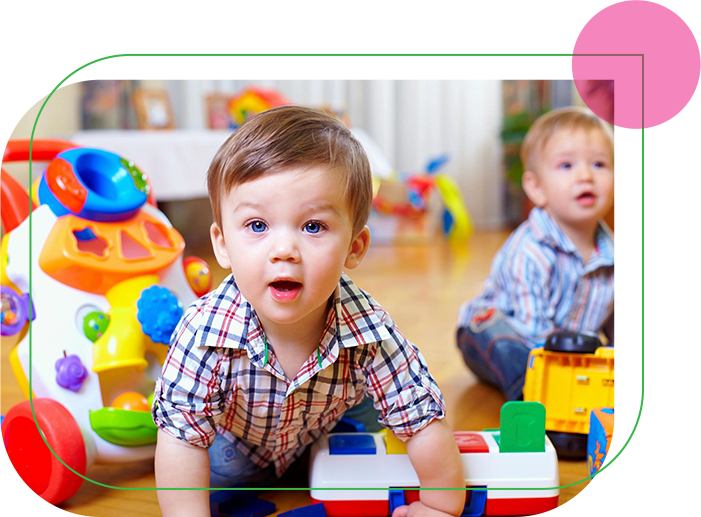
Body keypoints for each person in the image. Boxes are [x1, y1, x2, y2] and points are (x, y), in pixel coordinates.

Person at [153, 106, 465, 517]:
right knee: (197, 454)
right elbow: (182, 438)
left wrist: (440, 505)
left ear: (354, 247)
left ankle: (338, 444)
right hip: (233, 452)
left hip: (325, 433)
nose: (284, 250)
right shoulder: (203, 331)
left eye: (313, 226)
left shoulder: (370, 329)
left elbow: (421, 416)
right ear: (222, 244)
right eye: (258, 226)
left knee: (377, 421)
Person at [456, 106, 616, 401]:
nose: (585, 176)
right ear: (536, 187)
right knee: (507, 345)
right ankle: (532, 397)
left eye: (599, 164)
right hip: (500, 334)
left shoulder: (614, 257)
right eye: (567, 166)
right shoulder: (529, 251)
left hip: (569, 352)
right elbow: (533, 333)